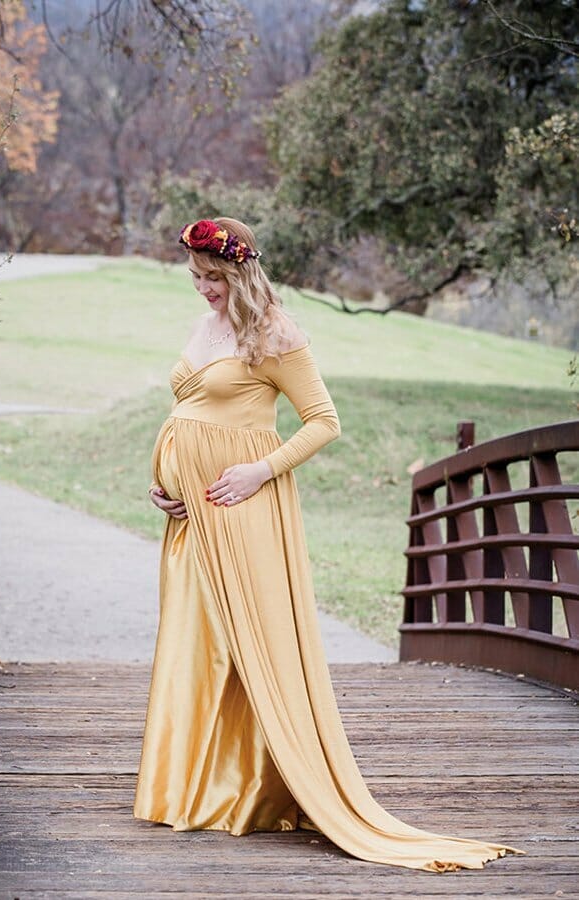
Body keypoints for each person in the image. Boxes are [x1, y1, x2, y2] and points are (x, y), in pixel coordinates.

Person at [132, 216, 522, 872]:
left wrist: (259, 471)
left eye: (212, 278)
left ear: (240, 272)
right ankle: (188, 787)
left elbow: (324, 422)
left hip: (243, 504)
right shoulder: (206, 325)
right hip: (190, 517)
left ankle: (251, 790)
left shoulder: (275, 333)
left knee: (245, 642)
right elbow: (193, 411)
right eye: (196, 278)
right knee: (195, 640)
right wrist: (163, 485)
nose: (202, 289)